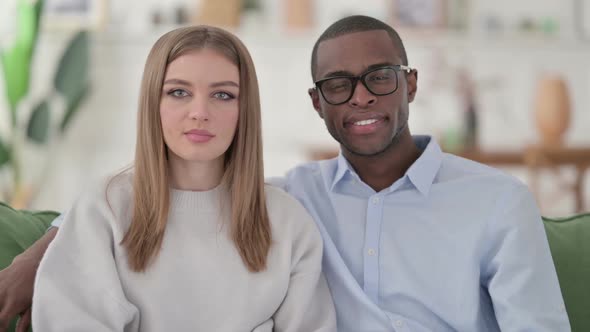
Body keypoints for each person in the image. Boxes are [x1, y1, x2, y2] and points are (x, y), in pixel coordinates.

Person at [0, 15, 571, 332]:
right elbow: (173, 194)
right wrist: (42, 250)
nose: (361, 98)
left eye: (380, 76)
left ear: (411, 84)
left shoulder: (497, 201)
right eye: (337, 86)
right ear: (318, 104)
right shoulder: (296, 198)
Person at [29, 25, 336, 331]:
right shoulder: (105, 208)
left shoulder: (288, 222)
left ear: (245, 110)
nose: (200, 112)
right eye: (179, 92)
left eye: (223, 94)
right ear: (153, 103)